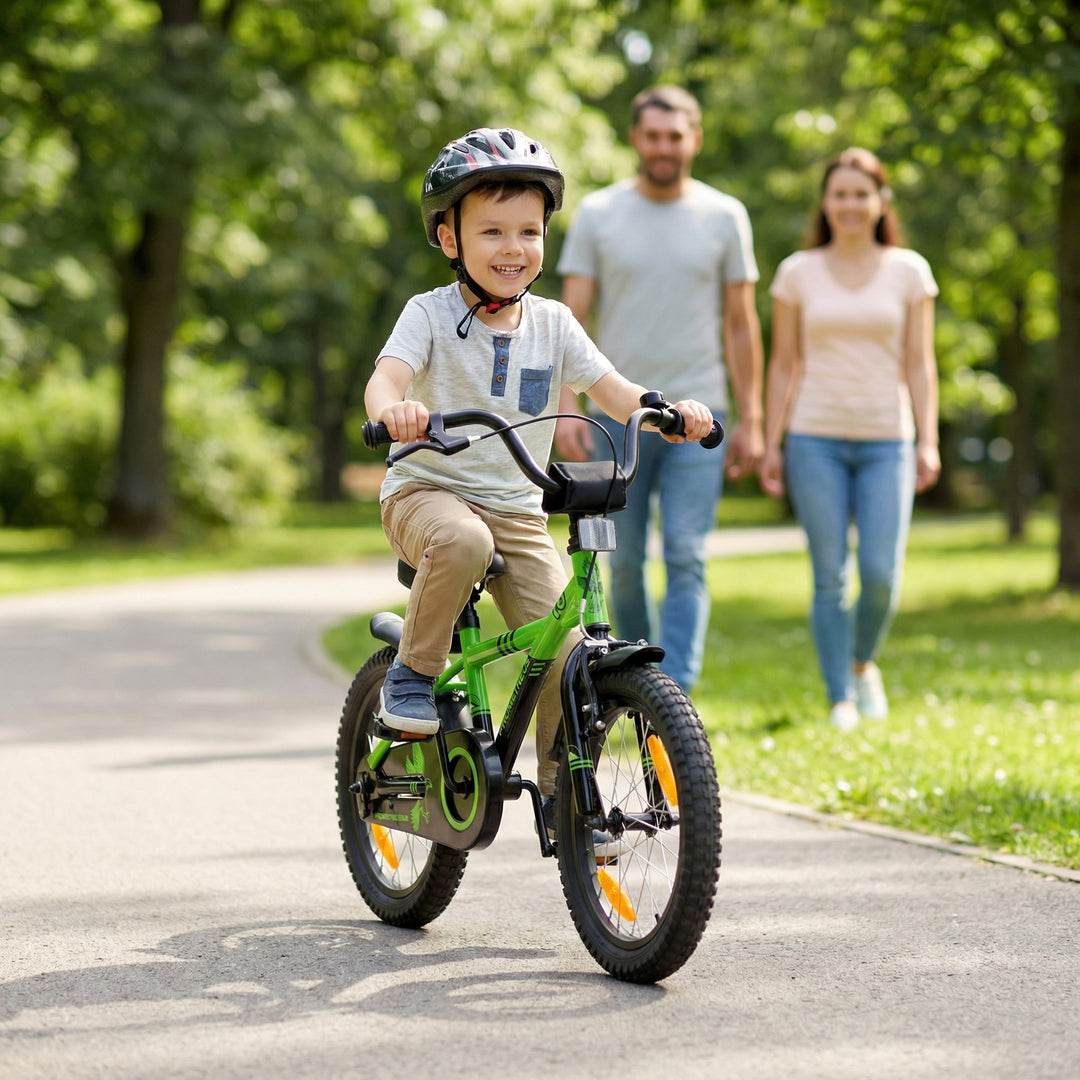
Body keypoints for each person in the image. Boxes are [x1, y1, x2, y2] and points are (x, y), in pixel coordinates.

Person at [363, 126, 715, 839]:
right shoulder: (428, 313)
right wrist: (393, 412)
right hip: (426, 492)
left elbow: (612, 389)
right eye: (491, 230)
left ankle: (567, 794)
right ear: (448, 238)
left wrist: (666, 410)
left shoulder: (553, 324)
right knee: (459, 541)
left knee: (571, 651)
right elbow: (387, 377)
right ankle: (413, 673)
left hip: (519, 509)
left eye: (529, 230)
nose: (513, 247)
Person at [554, 85, 764, 692]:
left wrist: (750, 418)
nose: (664, 147)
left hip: (702, 413)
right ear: (635, 138)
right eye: (653, 135)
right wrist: (566, 407)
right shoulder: (598, 214)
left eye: (676, 135)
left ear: (695, 138)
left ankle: (677, 694)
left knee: (687, 553)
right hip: (617, 417)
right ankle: (638, 680)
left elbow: (741, 324)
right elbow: (572, 319)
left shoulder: (726, 215)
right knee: (622, 562)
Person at [758, 147, 941, 732]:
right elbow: (784, 364)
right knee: (831, 574)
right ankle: (839, 695)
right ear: (826, 203)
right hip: (815, 438)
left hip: (889, 437)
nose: (851, 204)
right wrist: (770, 440)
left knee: (883, 573)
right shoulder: (797, 272)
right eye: (840, 193)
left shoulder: (909, 270)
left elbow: (920, 363)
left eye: (862, 193)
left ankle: (864, 664)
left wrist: (928, 439)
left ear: (881, 200)